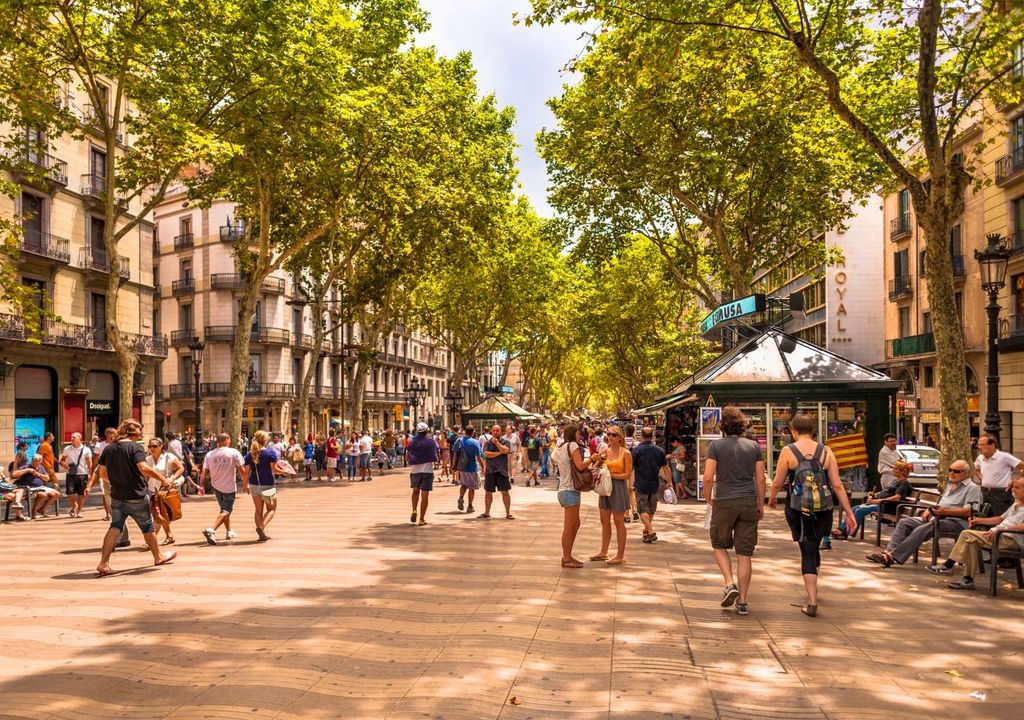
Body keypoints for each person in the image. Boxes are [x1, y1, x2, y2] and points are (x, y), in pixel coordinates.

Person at [769, 415, 857, 617]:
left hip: (798, 509)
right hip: (823, 509)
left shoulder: (788, 451)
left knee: (807, 549)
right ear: (812, 431)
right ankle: (813, 587)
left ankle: (812, 601)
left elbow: (777, 482)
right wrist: (849, 512)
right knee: (814, 546)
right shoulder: (826, 451)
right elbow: (837, 485)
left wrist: (771, 499)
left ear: (793, 431)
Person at [90, 420, 177, 576]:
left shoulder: (109, 448)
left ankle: (103, 563)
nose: (141, 432)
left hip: (117, 496)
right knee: (147, 527)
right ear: (132, 432)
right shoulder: (135, 447)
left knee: (115, 527)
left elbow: (102, 473)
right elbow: (143, 468)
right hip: (136, 495)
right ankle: (158, 556)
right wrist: (163, 479)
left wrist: (117, 482)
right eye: (139, 430)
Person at [703, 406, 764, 615]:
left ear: (723, 427)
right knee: (745, 553)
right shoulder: (754, 446)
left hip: (724, 500)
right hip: (748, 501)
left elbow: (708, 476)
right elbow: (760, 478)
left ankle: (730, 584)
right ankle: (743, 602)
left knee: (719, 544)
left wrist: (707, 496)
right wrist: (760, 504)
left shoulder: (715, 446)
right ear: (741, 426)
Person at [867, 459, 981, 567]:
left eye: (956, 471)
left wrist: (944, 512)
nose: (951, 473)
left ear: (966, 473)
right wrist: (929, 510)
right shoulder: (950, 485)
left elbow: (969, 511)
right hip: (937, 518)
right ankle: (887, 553)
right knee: (905, 522)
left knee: (925, 527)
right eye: (950, 470)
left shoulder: (972, 488)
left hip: (957, 522)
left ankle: (892, 556)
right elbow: (941, 505)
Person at [941, 473, 1024, 590]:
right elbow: (1000, 519)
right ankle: (968, 580)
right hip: (998, 536)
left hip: (1012, 540)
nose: (1013, 490)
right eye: (1013, 487)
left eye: (1017, 487)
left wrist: (1002, 529)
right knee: (971, 542)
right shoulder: (1017, 503)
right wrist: (979, 520)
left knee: (966, 534)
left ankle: (949, 564)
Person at [552, 424, 600, 568]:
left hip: (563, 490)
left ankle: (568, 555)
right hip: (570, 490)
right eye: (578, 434)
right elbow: (580, 466)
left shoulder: (559, 448)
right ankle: (566, 558)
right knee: (569, 526)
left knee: (575, 524)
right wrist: (593, 458)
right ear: (573, 434)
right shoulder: (572, 445)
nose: (580, 436)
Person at [835, 460, 913, 539]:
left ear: (902, 471)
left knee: (860, 510)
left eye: (896, 469)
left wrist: (877, 501)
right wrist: (875, 494)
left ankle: (846, 533)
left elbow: (896, 498)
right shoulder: (895, 481)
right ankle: (841, 529)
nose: (893, 470)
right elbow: (886, 492)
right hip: (882, 504)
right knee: (854, 508)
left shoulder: (904, 483)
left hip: (888, 507)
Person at [590, 425, 633, 566]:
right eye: (608, 434)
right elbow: (594, 468)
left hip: (618, 488)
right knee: (604, 520)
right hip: (605, 488)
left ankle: (620, 555)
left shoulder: (626, 453)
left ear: (620, 437)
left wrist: (611, 475)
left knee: (618, 521)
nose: (610, 437)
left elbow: (627, 475)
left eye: (614, 435)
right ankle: (603, 552)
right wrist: (598, 461)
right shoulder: (605, 452)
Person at [242, 430, 287, 541]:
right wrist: (284, 472)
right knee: (271, 509)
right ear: (265, 440)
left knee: (258, 510)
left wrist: (245, 485)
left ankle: (261, 534)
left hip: (254, 485)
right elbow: (274, 470)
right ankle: (261, 528)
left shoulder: (249, 455)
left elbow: (246, 473)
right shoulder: (270, 453)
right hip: (268, 485)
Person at [200, 433, 245, 544]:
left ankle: (229, 531)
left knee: (223, 510)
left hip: (216, 486)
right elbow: (242, 469)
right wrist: (246, 483)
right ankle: (212, 530)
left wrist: (201, 486)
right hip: (229, 487)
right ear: (226, 440)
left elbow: (204, 471)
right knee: (226, 510)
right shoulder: (234, 452)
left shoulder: (209, 454)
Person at [631, 426, 670, 543]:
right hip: (654, 484)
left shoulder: (636, 451)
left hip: (640, 484)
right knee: (651, 509)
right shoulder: (659, 451)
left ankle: (650, 530)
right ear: (652, 436)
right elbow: (666, 468)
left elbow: (630, 468)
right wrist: (669, 481)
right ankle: (647, 531)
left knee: (643, 509)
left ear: (641, 436)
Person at [144, 436, 185, 545]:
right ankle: (169, 536)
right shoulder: (148, 459)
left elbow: (181, 468)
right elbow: (146, 475)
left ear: (161, 446)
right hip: (152, 490)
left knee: (157, 515)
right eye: (150, 446)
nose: (152, 448)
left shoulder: (168, 457)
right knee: (161, 514)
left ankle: (151, 541)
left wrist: (171, 479)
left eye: (154, 446)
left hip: (164, 491)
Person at [973, 433, 1023, 517]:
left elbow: (1022, 466)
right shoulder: (980, 458)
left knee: (1000, 517)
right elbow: (975, 468)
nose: (979, 447)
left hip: (1001, 493)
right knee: (984, 516)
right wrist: (982, 478)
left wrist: (1015, 481)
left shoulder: (1004, 457)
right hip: (984, 492)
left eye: (982, 444)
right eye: (978, 445)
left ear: (992, 445)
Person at [406, 422, 440, 526]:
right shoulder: (431, 442)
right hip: (427, 471)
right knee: (425, 494)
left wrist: (412, 462)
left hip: (415, 471)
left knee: (415, 491)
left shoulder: (411, 442)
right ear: (426, 431)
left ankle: (414, 510)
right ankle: (421, 519)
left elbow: (407, 456)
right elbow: (436, 455)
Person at [481, 424, 514, 519]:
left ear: (501, 432)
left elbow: (506, 451)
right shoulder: (487, 443)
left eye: (497, 430)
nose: (495, 432)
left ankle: (508, 513)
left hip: (502, 471)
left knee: (505, 493)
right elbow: (486, 454)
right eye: (494, 430)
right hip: (490, 471)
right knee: (488, 493)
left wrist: (497, 444)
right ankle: (487, 512)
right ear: (491, 431)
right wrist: (500, 452)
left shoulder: (506, 442)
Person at [59, 432, 92, 518]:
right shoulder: (67, 449)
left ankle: (79, 512)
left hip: (83, 474)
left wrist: (90, 474)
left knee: (82, 494)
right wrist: (64, 465)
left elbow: (89, 463)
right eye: (71, 437)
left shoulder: (86, 449)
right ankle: (74, 505)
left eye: (74, 437)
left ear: (79, 438)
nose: (72, 439)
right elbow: (61, 460)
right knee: (69, 493)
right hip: (71, 474)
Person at [453, 426, 483, 514]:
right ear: (473, 432)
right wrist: (483, 467)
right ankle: (470, 506)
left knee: (463, 485)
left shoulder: (458, 441)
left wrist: (453, 465)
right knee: (471, 488)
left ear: (465, 431)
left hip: (462, 468)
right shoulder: (475, 442)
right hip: (472, 467)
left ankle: (461, 497)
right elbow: (478, 457)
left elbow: (455, 455)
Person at [90, 428, 117, 524]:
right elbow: (95, 459)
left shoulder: (117, 444)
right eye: (111, 433)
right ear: (106, 434)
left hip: (116, 472)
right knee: (105, 493)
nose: (113, 435)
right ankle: (108, 513)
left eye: (114, 433)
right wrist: (93, 472)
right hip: (103, 471)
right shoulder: (99, 445)